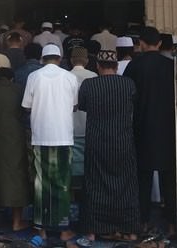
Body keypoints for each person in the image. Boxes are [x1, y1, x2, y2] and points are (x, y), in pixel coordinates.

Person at [78, 47, 141, 241]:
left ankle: (92, 231)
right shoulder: (128, 84)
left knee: (94, 184)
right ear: (116, 66)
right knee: (127, 185)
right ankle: (130, 230)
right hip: (123, 142)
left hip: (97, 142)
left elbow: (82, 106)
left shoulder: (89, 85)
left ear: (97, 66)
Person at [21, 43, 79, 240]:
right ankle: (63, 230)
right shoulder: (70, 77)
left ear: (42, 59)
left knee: (41, 182)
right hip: (63, 136)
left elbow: (26, 106)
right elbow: (74, 105)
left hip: (40, 136)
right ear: (60, 58)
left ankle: (42, 229)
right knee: (62, 182)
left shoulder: (33, 77)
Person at [124, 26, 176, 234]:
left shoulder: (134, 65)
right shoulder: (171, 66)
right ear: (160, 43)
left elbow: (127, 95)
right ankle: (172, 225)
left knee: (142, 179)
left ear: (141, 44)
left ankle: (142, 222)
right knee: (169, 179)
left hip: (142, 127)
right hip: (168, 128)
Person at [0, 67, 31, 232]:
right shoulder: (18, 90)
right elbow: (26, 110)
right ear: (11, 79)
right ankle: (16, 222)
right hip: (14, 140)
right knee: (17, 179)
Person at [69, 47, 96, 181]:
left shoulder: (66, 76)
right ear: (86, 61)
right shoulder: (93, 76)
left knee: (72, 160)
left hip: (70, 125)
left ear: (71, 60)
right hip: (89, 125)